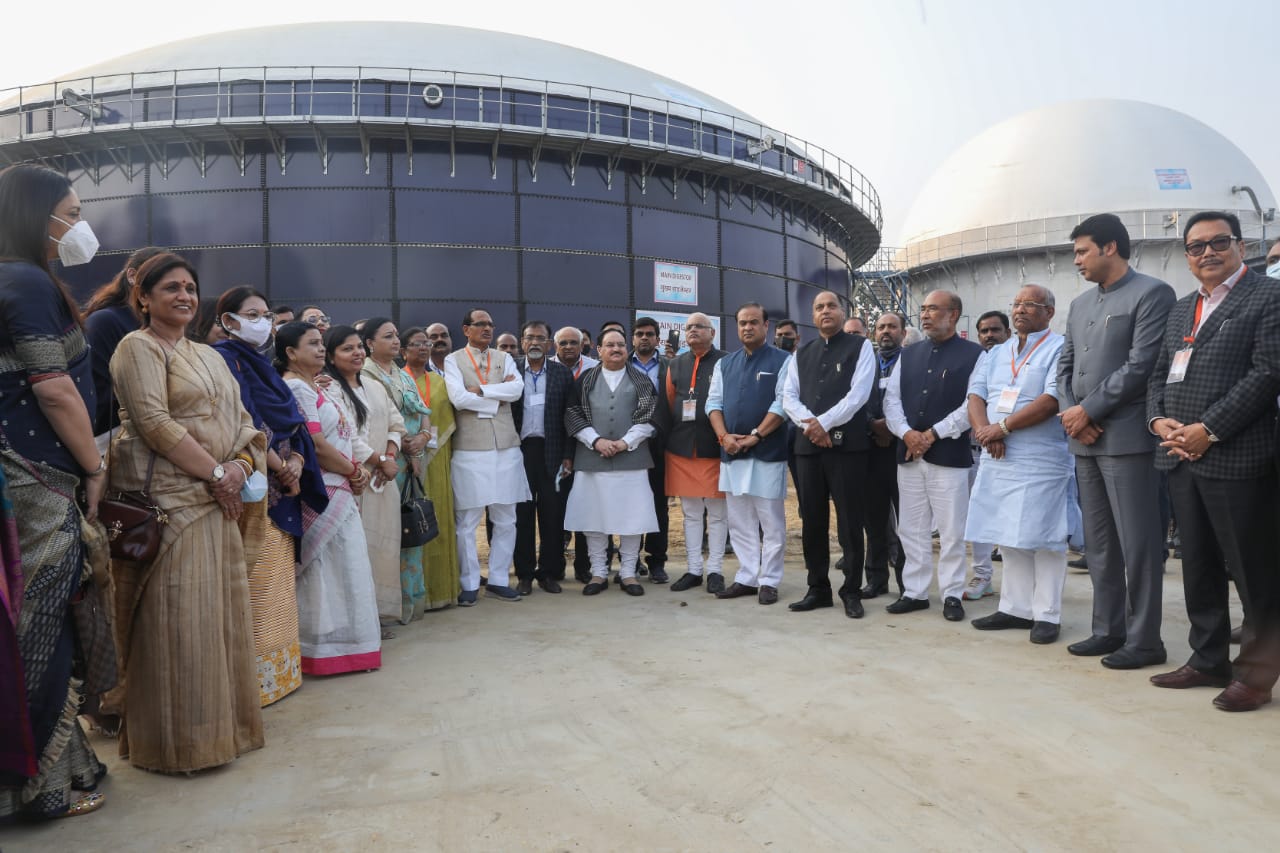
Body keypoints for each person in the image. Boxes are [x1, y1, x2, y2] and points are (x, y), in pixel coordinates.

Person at [108, 252, 265, 773]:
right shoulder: (137, 347)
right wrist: (217, 475)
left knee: (218, 622)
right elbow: (153, 422)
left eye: (190, 288)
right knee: (178, 624)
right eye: (171, 287)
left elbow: (244, 421)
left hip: (217, 501)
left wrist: (240, 468)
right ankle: (177, 746)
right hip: (171, 505)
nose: (184, 296)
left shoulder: (212, 354)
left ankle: (227, 734)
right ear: (144, 297)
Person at [0, 163, 107, 818]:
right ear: (41, 216)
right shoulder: (23, 280)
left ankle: (59, 765)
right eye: (72, 209)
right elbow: (53, 387)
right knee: (42, 624)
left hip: (26, 472)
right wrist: (94, 466)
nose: (79, 222)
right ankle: (34, 787)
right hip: (39, 476)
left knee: (37, 619)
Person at [1147, 211, 1280, 712]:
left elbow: (1268, 373)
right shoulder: (1183, 310)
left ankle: (1257, 674)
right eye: (1196, 246)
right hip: (1181, 457)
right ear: (1186, 256)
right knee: (1198, 565)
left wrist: (1208, 429)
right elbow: (1158, 377)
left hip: (1238, 457)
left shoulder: (1268, 296)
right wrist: (1159, 423)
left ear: (1240, 246)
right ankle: (1207, 660)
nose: (1207, 253)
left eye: (1218, 242)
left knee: (1254, 572)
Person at [1058, 213, 1176, 669]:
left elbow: (1142, 364)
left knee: (1138, 543)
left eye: (1082, 251)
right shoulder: (1081, 304)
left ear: (1110, 248)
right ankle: (1108, 630)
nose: (1077, 261)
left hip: (1126, 438)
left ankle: (1146, 640)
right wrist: (1074, 414)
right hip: (1084, 439)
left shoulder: (1152, 294)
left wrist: (1088, 411)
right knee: (1099, 544)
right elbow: (1065, 366)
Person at [214, 287, 328, 707]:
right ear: (228, 320)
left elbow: (292, 423)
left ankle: (280, 675)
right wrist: (284, 468)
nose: (263, 321)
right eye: (252, 314)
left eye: (266, 314)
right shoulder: (222, 360)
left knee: (278, 584)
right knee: (255, 585)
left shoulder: (262, 364)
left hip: (284, 483)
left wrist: (297, 458)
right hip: (255, 491)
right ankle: (254, 683)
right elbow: (243, 423)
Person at [967, 286, 1071, 644]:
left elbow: (1052, 398)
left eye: (1031, 304)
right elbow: (976, 394)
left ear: (1050, 312)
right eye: (1017, 304)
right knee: (1008, 533)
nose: (1021, 309)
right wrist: (985, 431)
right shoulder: (997, 352)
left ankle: (1047, 614)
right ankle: (1015, 608)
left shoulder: (1060, 347)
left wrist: (1004, 427)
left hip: (1040, 457)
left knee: (1045, 536)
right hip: (997, 455)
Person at [277, 321, 382, 675]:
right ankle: (322, 652)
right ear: (291, 353)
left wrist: (354, 470)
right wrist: (354, 472)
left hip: (339, 487)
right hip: (323, 489)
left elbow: (341, 436)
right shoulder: (297, 389)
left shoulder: (317, 387)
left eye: (322, 343)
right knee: (325, 572)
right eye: (312, 344)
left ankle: (350, 648)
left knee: (347, 568)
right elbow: (316, 447)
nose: (321, 350)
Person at [883, 290, 983, 622]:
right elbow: (892, 401)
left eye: (933, 310)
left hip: (948, 455)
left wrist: (932, 434)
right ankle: (914, 591)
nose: (925, 315)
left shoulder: (975, 355)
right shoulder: (908, 354)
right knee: (911, 527)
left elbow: (972, 404)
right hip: (909, 454)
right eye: (923, 309)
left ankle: (952, 593)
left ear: (953, 315)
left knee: (951, 529)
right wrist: (907, 433)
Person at [782, 290, 876, 617]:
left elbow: (858, 395)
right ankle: (817, 588)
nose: (825, 311)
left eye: (831, 306)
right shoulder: (801, 353)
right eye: (819, 307)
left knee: (850, 521)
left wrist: (822, 423)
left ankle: (852, 590)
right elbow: (788, 398)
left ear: (842, 311)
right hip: (808, 449)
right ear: (813, 314)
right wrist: (813, 428)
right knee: (813, 522)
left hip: (847, 448)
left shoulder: (861, 347)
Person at [563, 328, 659, 595]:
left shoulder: (641, 380)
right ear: (598, 349)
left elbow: (649, 416)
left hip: (633, 460)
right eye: (610, 345)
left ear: (626, 348)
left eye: (620, 344)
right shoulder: (584, 380)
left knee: (632, 518)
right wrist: (596, 441)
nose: (616, 349)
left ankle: (628, 573)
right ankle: (599, 572)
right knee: (594, 519)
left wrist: (625, 442)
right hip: (592, 459)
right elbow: (572, 414)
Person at [444, 308, 530, 604]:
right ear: (465, 329)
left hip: (506, 446)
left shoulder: (505, 358)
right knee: (467, 521)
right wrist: (496, 399)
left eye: (491, 324)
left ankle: (498, 579)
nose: (488, 329)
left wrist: (479, 389)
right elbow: (457, 397)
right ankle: (468, 582)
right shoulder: (452, 360)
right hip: (470, 449)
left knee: (506, 518)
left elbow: (517, 389)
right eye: (481, 324)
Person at [707, 303, 790, 605]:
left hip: (767, 453)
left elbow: (782, 405)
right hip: (731, 453)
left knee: (771, 522)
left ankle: (769, 580)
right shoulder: (725, 364)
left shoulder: (783, 360)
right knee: (739, 521)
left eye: (754, 322)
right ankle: (747, 576)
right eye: (742, 323)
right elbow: (712, 403)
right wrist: (724, 437)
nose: (747, 328)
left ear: (766, 326)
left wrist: (754, 437)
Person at [326, 325, 408, 628]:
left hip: (383, 481)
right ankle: (358, 620)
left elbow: (397, 425)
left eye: (359, 346)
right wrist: (379, 461)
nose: (357, 353)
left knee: (384, 546)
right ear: (331, 357)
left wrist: (389, 457)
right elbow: (347, 436)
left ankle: (380, 613)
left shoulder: (374, 386)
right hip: (354, 481)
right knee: (356, 550)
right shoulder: (330, 390)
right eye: (347, 349)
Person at [361, 318, 432, 622]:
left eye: (395, 336)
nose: (395, 341)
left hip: (413, 459)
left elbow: (422, 410)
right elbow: (384, 419)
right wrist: (407, 447)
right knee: (388, 534)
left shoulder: (402, 375)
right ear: (369, 344)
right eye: (387, 336)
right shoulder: (366, 374)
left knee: (412, 527)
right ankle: (386, 608)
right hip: (386, 462)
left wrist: (423, 439)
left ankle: (412, 603)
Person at [664, 312, 728, 594]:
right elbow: (668, 402)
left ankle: (715, 570)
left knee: (716, 512)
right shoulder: (675, 363)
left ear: (711, 332)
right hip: (681, 448)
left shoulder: (726, 361)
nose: (692, 331)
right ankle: (693, 569)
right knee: (690, 513)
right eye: (688, 327)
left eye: (699, 327)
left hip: (714, 447)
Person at [511, 320, 573, 595]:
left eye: (541, 338)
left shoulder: (562, 374)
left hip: (553, 453)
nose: (535, 343)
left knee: (552, 515)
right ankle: (524, 574)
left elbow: (571, 417)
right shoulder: (509, 371)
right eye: (529, 338)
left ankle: (548, 573)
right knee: (521, 515)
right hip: (518, 453)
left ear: (550, 344)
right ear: (522, 342)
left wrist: (569, 456)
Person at [401, 327, 460, 610]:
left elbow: (448, 420)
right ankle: (411, 596)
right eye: (417, 344)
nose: (424, 348)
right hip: (403, 460)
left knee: (438, 519)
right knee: (408, 524)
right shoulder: (396, 381)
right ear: (403, 350)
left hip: (436, 459)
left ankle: (442, 591)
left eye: (426, 344)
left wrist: (427, 445)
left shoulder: (439, 382)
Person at [83, 246, 164, 445]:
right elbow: (100, 393)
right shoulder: (105, 322)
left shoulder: (161, 327)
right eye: (162, 279)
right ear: (132, 276)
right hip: (116, 439)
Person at [963, 309, 1011, 601]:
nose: (989, 335)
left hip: (1015, 448)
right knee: (978, 515)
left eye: (995, 330)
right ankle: (983, 575)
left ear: (1007, 332)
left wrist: (1000, 431)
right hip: (976, 450)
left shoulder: (1018, 360)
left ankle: (1024, 585)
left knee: (1013, 517)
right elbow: (972, 401)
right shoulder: (978, 361)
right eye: (984, 331)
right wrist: (986, 433)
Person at [860, 311, 907, 599]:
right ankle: (876, 580)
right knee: (874, 521)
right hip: (870, 452)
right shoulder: (865, 365)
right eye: (881, 327)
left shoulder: (912, 362)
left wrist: (891, 429)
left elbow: (915, 400)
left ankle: (907, 583)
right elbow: (853, 399)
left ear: (903, 332)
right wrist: (871, 426)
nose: (885, 332)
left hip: (902, 451)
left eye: (891, 327)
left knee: (906, 523)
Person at [630, 316, 670, 583]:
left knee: (658, 503)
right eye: (639, 334)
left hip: (659, 443)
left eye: (649, 334)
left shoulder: (670, 367)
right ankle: (629, 561)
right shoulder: (619, 364)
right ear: (633, 338)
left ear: (657, 339)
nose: (644, 338)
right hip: (627, 443)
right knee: (629, 502)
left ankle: (656, 561)